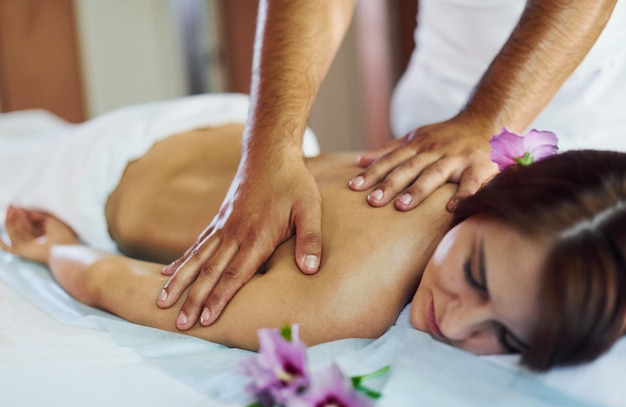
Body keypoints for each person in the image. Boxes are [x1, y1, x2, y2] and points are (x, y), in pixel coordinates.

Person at [1, 99, 626, 371]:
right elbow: (114, 282)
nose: (459, 327)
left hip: (227, 124)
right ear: (497, 192)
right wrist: (54, 244)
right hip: (102, 184)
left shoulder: (453, 168)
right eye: (476, 275)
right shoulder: (342, 300)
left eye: (507, 336)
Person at [161, 0, 626, 331]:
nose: (455, 325)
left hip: (575, 137)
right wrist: (270, 152)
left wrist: (487, 119)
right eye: (473, 274)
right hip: (429, 115)